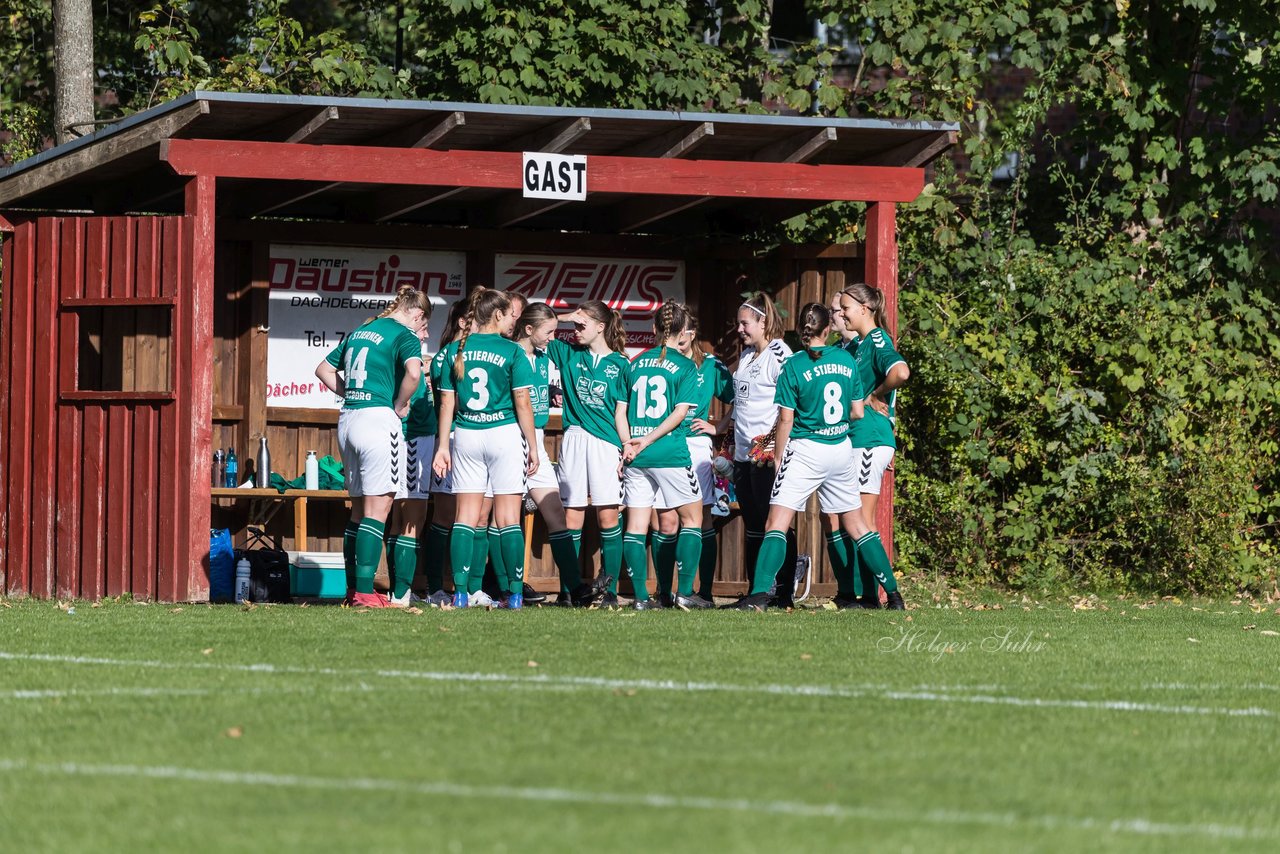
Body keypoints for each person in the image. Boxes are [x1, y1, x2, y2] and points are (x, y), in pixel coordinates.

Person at [728, 303, 904, 611]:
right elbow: (858, 410)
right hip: (839, 449)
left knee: (776, 523)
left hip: (806, 450)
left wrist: (779, 454)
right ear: (827, 330)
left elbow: (785, 419)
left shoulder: (794, 364)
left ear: (801, 329)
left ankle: (757, 596)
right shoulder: (847, 359)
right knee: (858, 525)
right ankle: (894, 596)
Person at [314, 285, 429, 608]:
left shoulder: (360, 331)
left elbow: (322, 369)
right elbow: (414, 373)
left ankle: (354, 589)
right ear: (417, 314)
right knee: (379, 510)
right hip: (378, 420)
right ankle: (365, 591)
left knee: (359, 511)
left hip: (349, 418)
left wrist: (349, 392)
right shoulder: (403, 334)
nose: (421, 331)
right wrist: (399, 402)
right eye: (422, 324)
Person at [432, 288, 539, 608]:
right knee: (508, 518)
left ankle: (461, 592)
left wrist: (442, 447)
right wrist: (533, 445)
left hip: (466, 435)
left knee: (465, 517)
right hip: (503, 435)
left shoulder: (454, 350)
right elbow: (522, 402)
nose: (512, 320)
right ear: (496, 315)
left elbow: (446, 404)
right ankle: (516, 594)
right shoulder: (513, 352)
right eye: (509, 315)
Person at [614, 303, 706, 610]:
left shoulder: (633, 362)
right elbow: (681, 414)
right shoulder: (685, 366)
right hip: (669, 453)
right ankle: (685, 594)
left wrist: (630, 444)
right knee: (693, 519)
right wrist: (649, 439)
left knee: (636, 526)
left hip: (636, 457)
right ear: (682, 334)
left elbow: (620, 411)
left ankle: (641, 597)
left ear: (654, 330)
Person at [513, 301, 600, 606]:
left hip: (534, 441)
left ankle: (574, 588)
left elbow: (549, 330)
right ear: (528, 329)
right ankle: (506, 587)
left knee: (555, 516)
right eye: (548, 332)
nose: (553, 337)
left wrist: (560, 317)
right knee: (505, 519)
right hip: (512, 440)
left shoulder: (542, 353)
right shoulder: (511, 354)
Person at [547, 300, 631, 607]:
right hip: (573, 439)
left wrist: (627, 446)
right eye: (574, 325)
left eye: (583, 325)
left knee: (608, 516)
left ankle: (609, 591)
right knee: (572, 517)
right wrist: (568, 316)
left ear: (601, 326)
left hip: (606, 444)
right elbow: (543, 324)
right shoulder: (567, 352)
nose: (576, 330)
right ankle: (569, 590)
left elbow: (622, 414)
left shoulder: (622, 364)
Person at [650, 308, 734, 606]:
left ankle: (704, 592)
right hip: (664, 443)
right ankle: (663, 592)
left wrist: (718, 426)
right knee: (666, 521)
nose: (678, 340)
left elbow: (741, 396)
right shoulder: (657, 362)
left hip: (695, 446)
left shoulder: (709, 364)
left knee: (703, 518)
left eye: (683, 334)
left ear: (692, 333)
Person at [839, 283, 911, 609]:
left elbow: (901, 371)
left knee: (862, 522)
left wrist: (878, 394)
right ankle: (868, 597)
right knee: (854, 521)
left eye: (846, 308)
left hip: (870, 438)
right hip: (858, 438)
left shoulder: (878, 339)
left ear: (865, 309)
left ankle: (891, 596)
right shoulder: (858, 346)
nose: (841, 314)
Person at [725, 293, 797, 607]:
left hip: (766, 454)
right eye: (738, 323)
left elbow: (792, 403)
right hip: (744, 453)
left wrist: (770, 444)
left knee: (775, 523)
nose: (740, 329)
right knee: (753, 523)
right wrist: (722, 428)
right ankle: (757, 591)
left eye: (745, 323)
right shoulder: (745, 356)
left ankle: (782, 593)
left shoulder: (780, 353)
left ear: (763, 322)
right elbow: (739, 402)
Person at [821, 289, 862, 606]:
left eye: (838, 309)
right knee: (830, 518)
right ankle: (845, 589)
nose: (836, 315)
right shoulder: (836, 349)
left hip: (858, 440)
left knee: (856, 521)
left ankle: (865, 591)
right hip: (835, 441)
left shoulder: (864, 346)